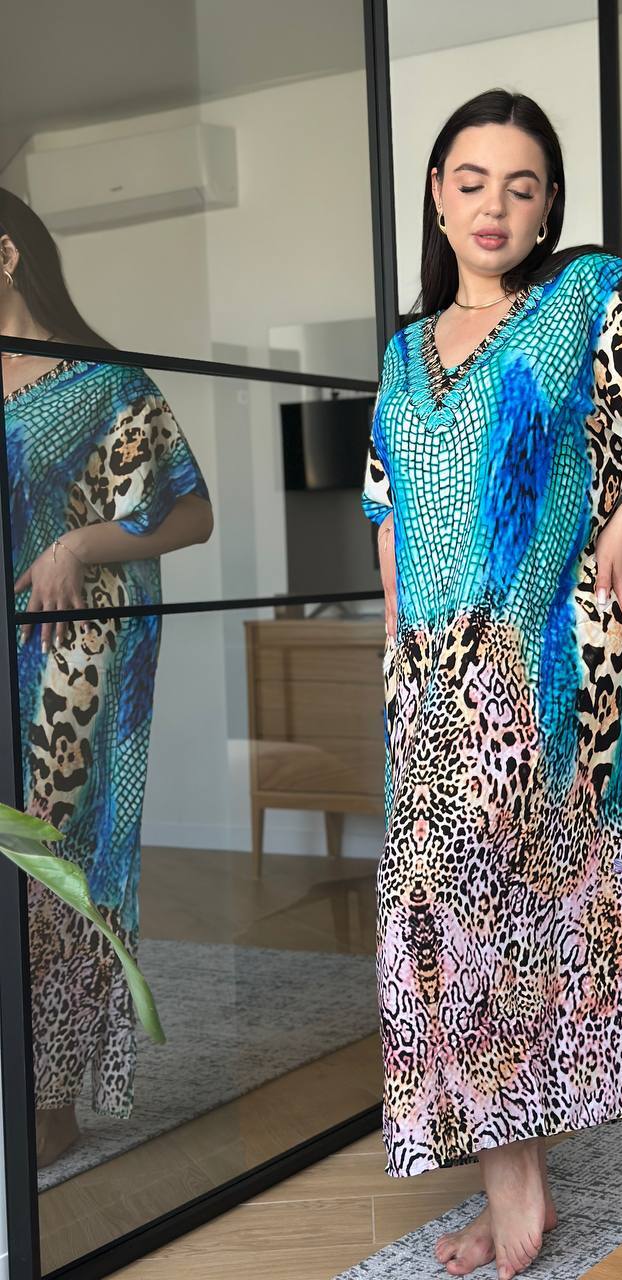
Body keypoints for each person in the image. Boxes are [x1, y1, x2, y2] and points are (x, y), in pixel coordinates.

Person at [360, 90, 622, 1280]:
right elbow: (388, 511)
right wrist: (398, 656)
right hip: (428, 687)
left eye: (522, 186)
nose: (495, 205)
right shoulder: (400, 352)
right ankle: (514, 1176)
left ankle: (517, 1189)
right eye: (472, 180)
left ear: (547, 211)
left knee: (509, 918)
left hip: (538, 680)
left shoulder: (583, 298)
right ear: (437, 197)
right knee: (450, 930)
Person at [0, 189, 213, 1168]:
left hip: (69, 655)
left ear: (7, 255)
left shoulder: (100, 383)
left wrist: (79, 543)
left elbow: (191, 511)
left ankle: (51, 1093)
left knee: (54, 862)